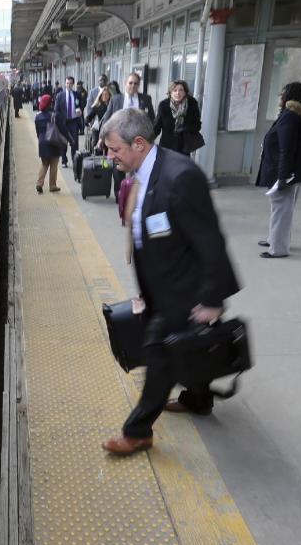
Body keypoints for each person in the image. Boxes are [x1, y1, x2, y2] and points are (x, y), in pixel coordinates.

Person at [100, 108, 240, 455]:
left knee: (158, 354)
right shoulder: (143, 172)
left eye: (114, 149)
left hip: (184, 289)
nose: (109, 156)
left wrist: (211, 299)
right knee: (190, 347)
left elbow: (210, 240)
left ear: (139, 143)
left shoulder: (181, 177)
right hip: (162, 284)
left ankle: (138, 431)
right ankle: (199, 399)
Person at [255, 82, 301, 258]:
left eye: (282, 93)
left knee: (282, 208)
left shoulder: (290, 116)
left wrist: (282, 176)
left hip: (287, 171)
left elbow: (286, 149)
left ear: (289, 96)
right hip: (291, 169)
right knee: (281, 207)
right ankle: (275, 239)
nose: (279, 96)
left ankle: (278, 248)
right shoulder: (293, 114)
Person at [101, 73, 155, 200]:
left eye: (136, 83)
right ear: (125, 84)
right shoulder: (116, 99)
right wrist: (102, 137)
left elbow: (152, 119)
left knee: (137, 168)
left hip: (138, 141)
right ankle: (120, 194)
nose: (133, 86)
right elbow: (107, 119)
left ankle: (135, 195)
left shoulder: (145, 99)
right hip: (119, 141)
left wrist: (150, 138)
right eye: (130, 83)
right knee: (118, 168)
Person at [152, 80, 203, 156]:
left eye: (181, 90)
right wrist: (147, 139)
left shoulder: (192, 104)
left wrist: (186, 128)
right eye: (174, 90)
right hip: (167, 147)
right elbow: (157, 126)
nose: (178, 93)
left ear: (185, 92)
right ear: (170, 93)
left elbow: (197, 125)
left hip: (184, 147)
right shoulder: (164, 105)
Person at [33, 94, 63, 193]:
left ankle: (39, 183)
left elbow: (37, 131)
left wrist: (40, 139)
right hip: (53, 142)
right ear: (50, 104)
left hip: (42, 142)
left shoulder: (37, 116)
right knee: (54, 164)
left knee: (44, 163)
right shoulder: (54, 116)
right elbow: (60, 129)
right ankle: (52, 185)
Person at [53, 76, 81, 168]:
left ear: (73, 84)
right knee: (63, 142)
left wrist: (80, 110)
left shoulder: (77, 94)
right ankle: (64, 160)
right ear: (65, 84)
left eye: (70, 83)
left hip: (73, 122)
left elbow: (81, 105)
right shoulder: (60, 95)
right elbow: (56, 110)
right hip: (63, 123)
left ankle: (75, 160)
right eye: (67, 83)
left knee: (74, 142)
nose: (68, 85)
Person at [85, 86, 112, 153]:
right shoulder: (97, 106)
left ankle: (108, 161)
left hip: (110, 129)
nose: (104, 96)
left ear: (109, 95)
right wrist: (88, 122)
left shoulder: (112, 105)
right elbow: (90, 116)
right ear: (100, 95)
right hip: (99, 129)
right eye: (103, 94)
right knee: (95, 143)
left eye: (106, 94)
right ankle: (96, 156)